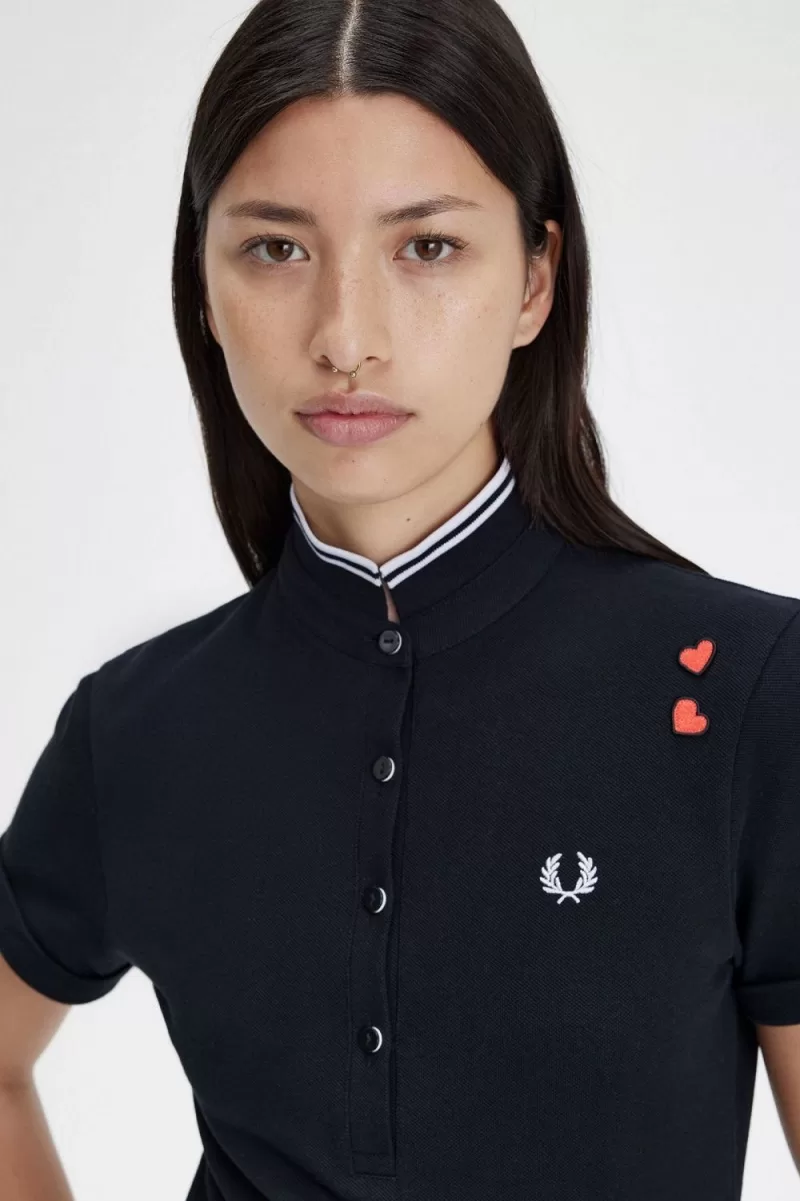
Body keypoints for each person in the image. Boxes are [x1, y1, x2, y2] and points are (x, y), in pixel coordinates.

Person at [1, 0, 799, 1198]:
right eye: (276, 250)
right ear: (202, 287)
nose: (345, 337)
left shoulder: (743, 694)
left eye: (425, 247)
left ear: (533, 279)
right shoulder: (135, 730)